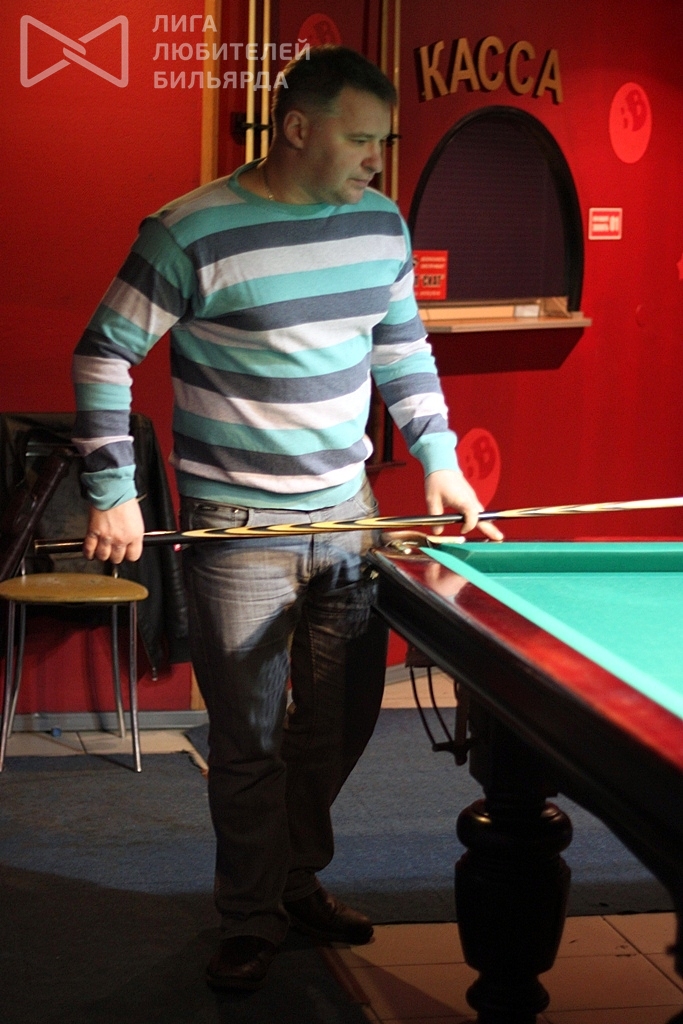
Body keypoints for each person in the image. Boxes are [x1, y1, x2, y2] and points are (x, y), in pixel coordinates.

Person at [71, 44, 503, 991]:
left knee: (341, 723)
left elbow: (403, 350)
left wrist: (437, 459)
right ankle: (249, 915)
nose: (377, 160)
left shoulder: (382, 223)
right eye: (361, 139)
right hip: (236, 529)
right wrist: (113, 489)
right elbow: (104, 352)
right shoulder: (188, 230)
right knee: (252, 740)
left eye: (383, 141)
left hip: (349, 515)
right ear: (297, 128)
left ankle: (291, 878)